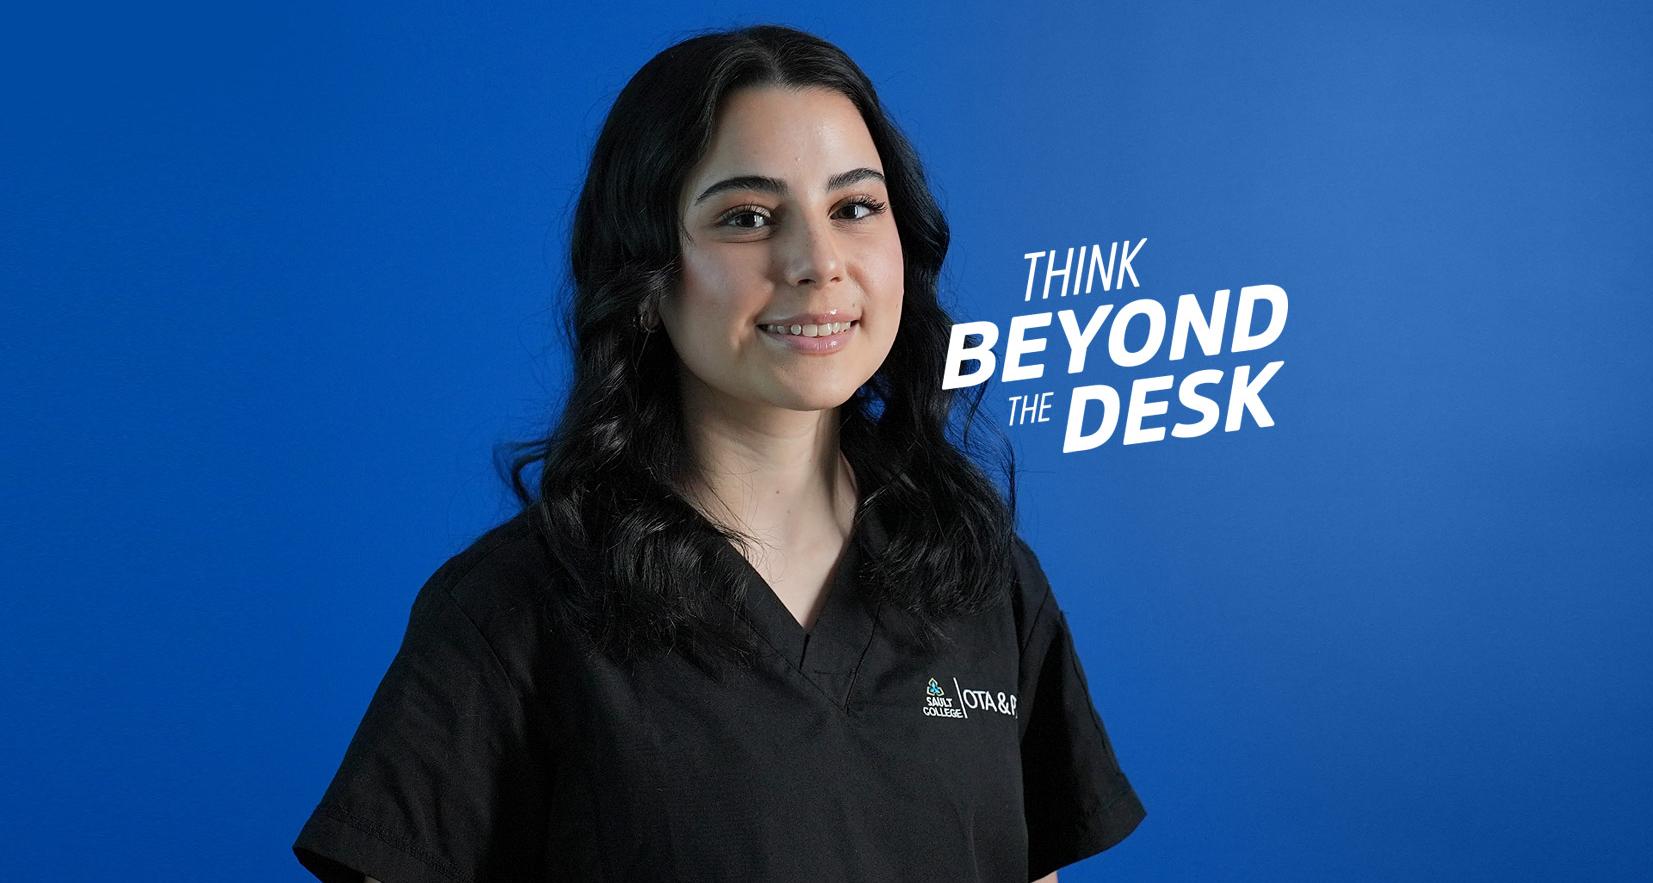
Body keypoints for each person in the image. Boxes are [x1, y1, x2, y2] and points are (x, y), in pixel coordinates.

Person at [291, 23, 1146, 882]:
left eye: (854, 207)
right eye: (747, 218)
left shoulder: (984, 580)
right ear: (647, 272)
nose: (818, 262)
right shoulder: (512, 613)